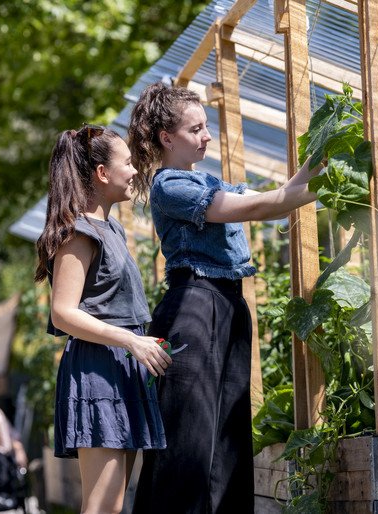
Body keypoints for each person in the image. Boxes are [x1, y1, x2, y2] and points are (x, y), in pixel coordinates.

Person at [128, 82, 322, 513]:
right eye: (196, 129)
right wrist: (312, 190)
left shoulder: (207, 180)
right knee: (189, 442)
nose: (207, 136)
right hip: (193, 308)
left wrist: (319, 162)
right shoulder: (170, 186)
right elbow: (256, 208)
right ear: (166, 138)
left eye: (206, 127)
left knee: (229, 435)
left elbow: (272, 197)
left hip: (228, 306)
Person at [35, 125, 173, 514]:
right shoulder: (78, 232)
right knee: (103, 508)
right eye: (126, 163)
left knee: (112, 505)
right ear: (101, 173)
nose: (134, 171)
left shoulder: (110, 227)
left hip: (120, 367)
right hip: (99, 371)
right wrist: (131, 340)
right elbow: (62, 313)